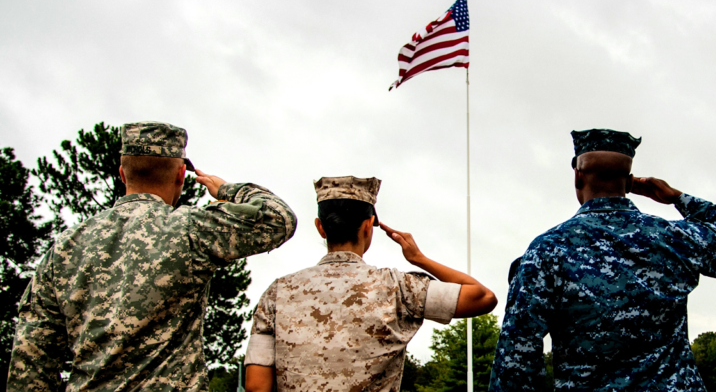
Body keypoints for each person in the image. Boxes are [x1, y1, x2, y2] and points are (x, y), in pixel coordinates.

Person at [8, 121, 297, 391]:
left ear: (122, 174)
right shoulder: (190, 229)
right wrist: (227, 189)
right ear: (181, 176)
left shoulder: (64, 247)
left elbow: (31, 359)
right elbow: (278, 218)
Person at [489, 129, 716, 391]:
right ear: (630, 182)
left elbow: (517, 358)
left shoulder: (546, 251)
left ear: (578, 177)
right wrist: (678, 198)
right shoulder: (673, 237)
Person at [243, 175, 498, 392]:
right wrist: (419, 259)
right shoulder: (398, 287)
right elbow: (483, 297)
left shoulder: (277, 293)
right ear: (368, 227)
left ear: (321, 227)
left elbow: (256, 386)